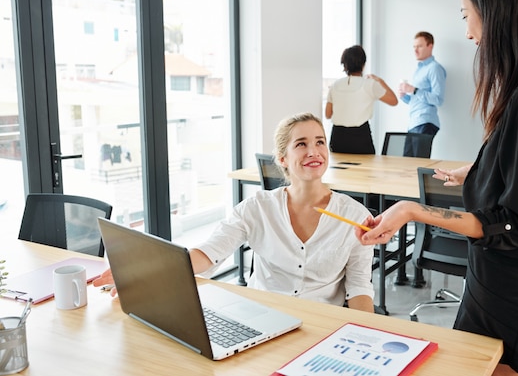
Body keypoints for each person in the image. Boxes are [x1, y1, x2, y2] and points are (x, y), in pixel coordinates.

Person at [355, 0, 518, 375]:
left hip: (511, 283)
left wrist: (412, 210)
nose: (468, 32)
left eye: (468, 15)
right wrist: (482, 168)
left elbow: (511, 224)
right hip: (511, 275)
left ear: (499, 9)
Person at [95, 112, 376, 313]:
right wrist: (143, 272)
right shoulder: (257, 208)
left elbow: (360, 288)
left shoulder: (355, 215)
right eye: (301, 144)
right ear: (282, 159)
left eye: (319, 142)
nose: (314, 151)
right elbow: (208, 253)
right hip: (262, 317)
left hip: (321, 323)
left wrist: (364, 337)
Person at [325, 45, 397, 154]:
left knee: (339, 170)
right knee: (366, 170)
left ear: (344, 64)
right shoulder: (369, 84)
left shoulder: (335, 85)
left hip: (338, 137)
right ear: (363, 64)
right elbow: (393, 101)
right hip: (359, 137)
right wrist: (380, 81)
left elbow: (328, 114)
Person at [397, 31, 446, 157]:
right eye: (414, 47)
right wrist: (405, 96)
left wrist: (414, 90)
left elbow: (438, 99)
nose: (415, 50)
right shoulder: (419, 70)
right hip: (414, 122)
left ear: (430, 46)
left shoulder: (434, 68)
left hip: (425, 121)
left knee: (418, 163)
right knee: (407, 165)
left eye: (419, 46)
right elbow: (417, 100)